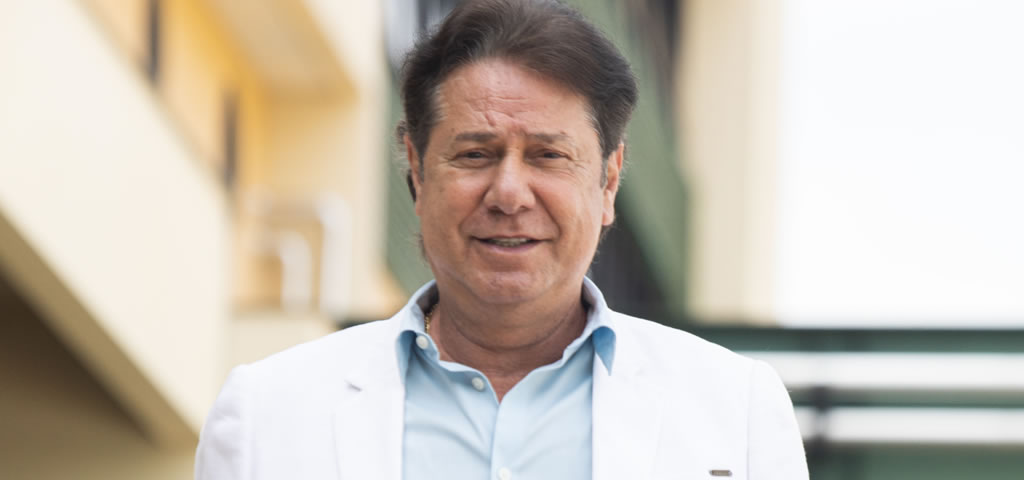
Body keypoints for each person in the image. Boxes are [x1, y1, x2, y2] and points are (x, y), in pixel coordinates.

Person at [195, 0, 808, 479]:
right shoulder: (266, 416)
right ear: (417, 170)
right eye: (475, 154)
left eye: (548, 155)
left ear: (608, 182)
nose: (509, 193)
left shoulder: (737, 414)